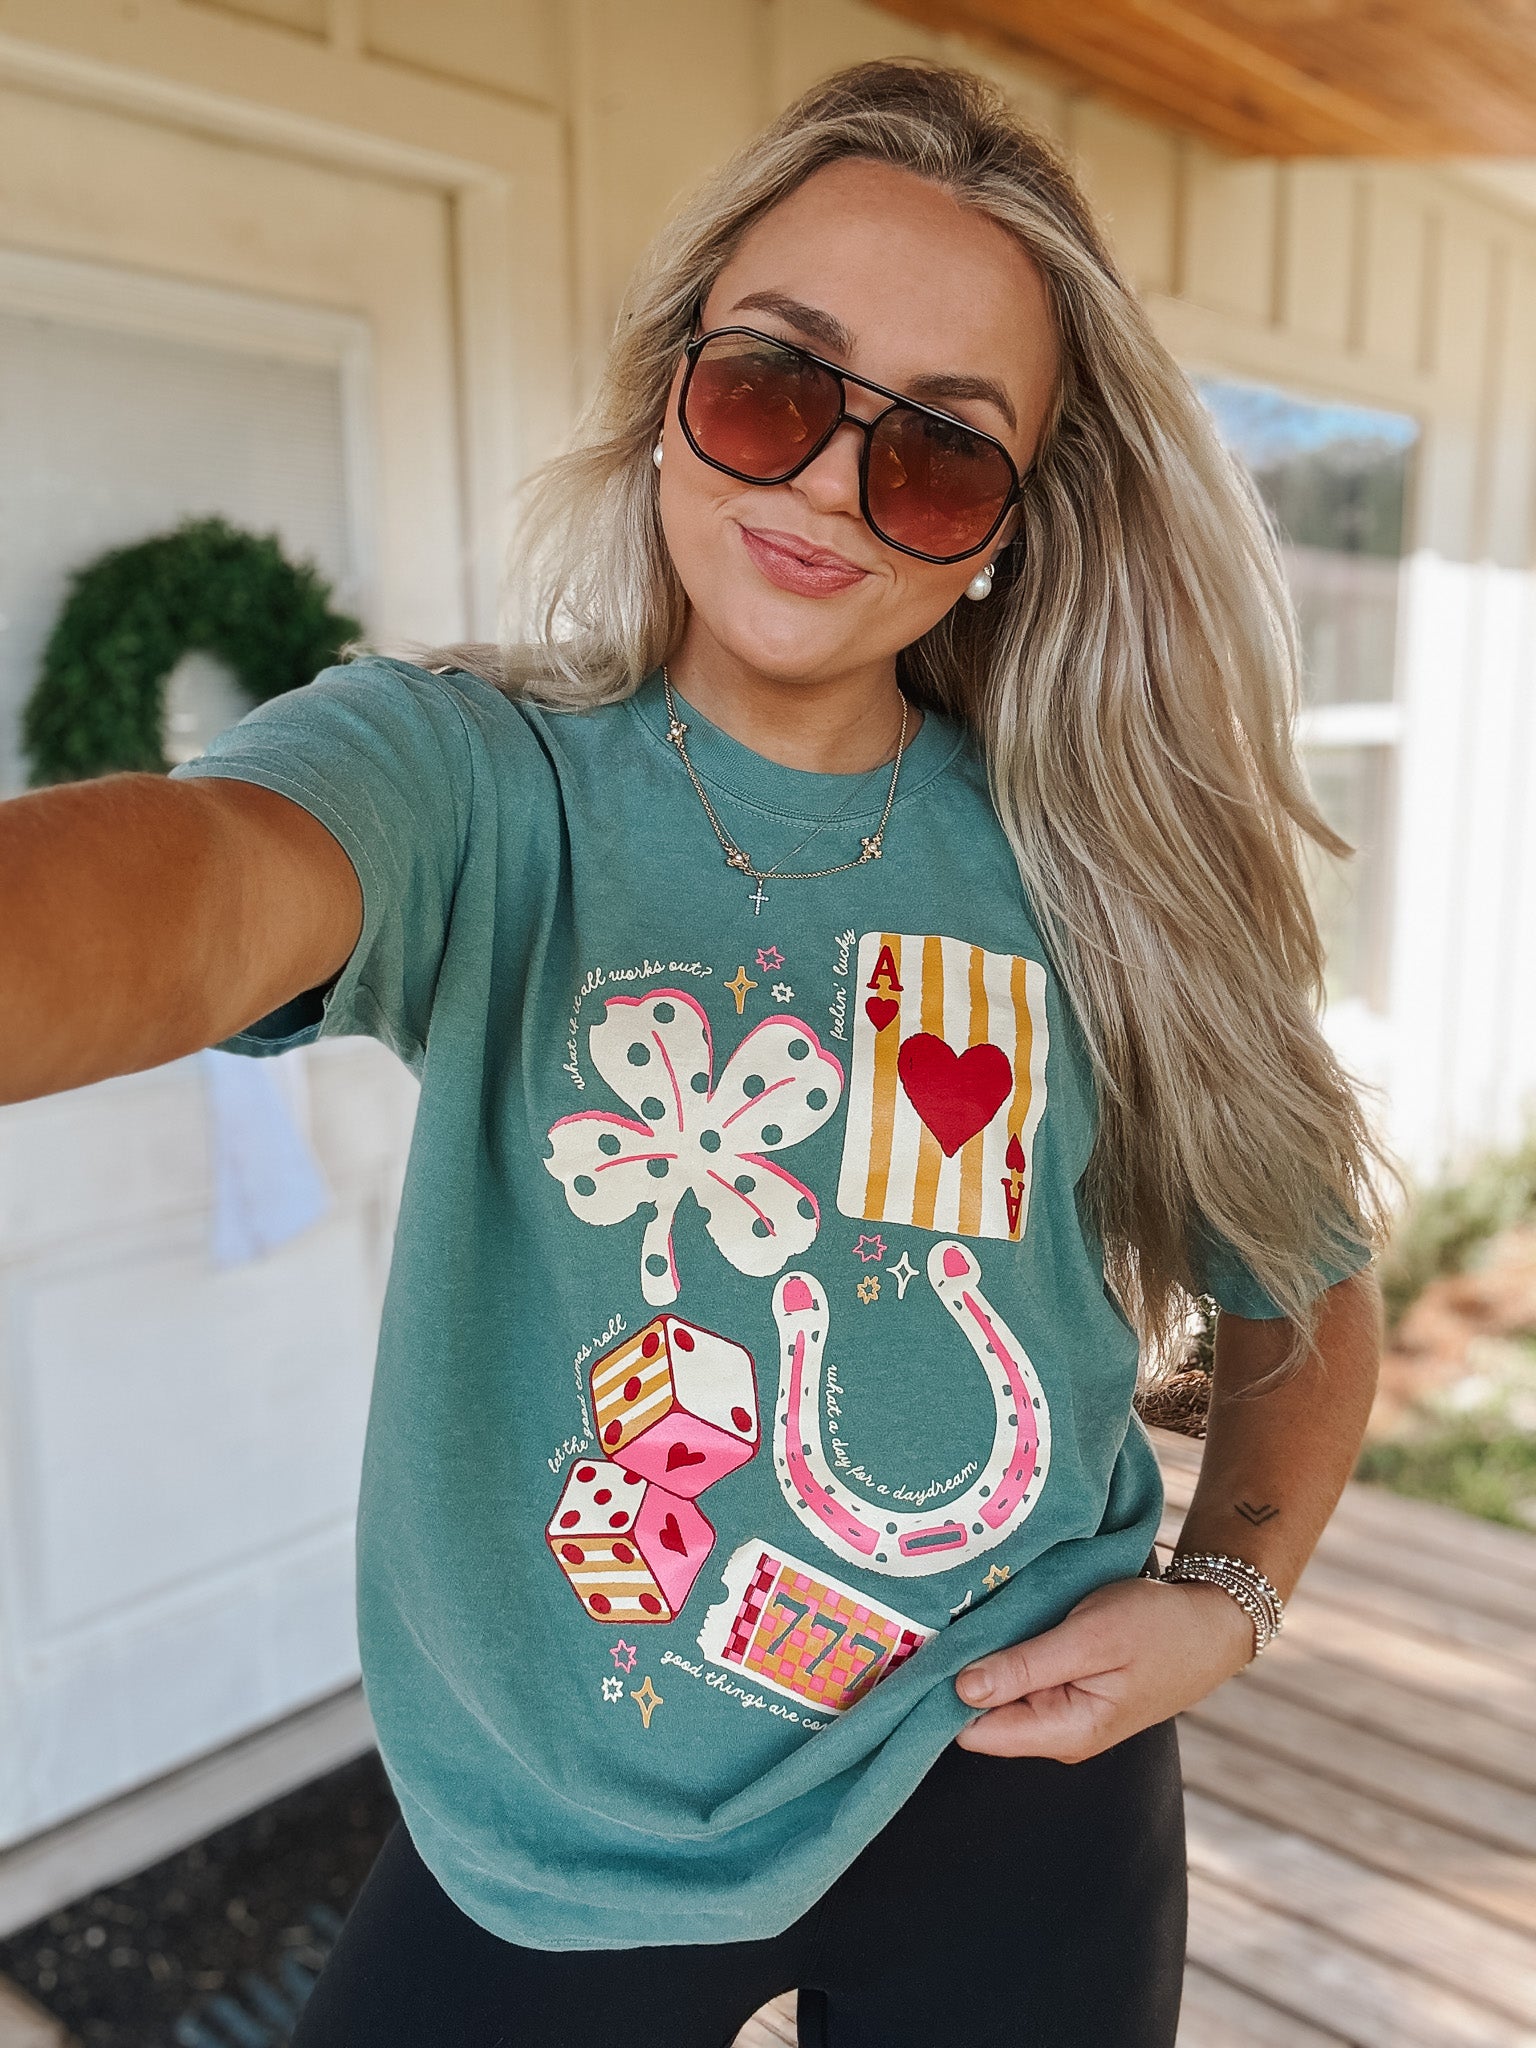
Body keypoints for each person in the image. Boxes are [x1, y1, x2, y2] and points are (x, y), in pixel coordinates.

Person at [0, 58, 1390, 2048]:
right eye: (772, 384)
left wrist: (1230, 1599)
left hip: (1014, 1758)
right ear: (672, 387)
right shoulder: (472, 780)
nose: (825, 482)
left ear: (1006, 530)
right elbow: (210, 889)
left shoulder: (1104, 867)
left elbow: (1306, 1282)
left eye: (940, 451)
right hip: (553, 1828)